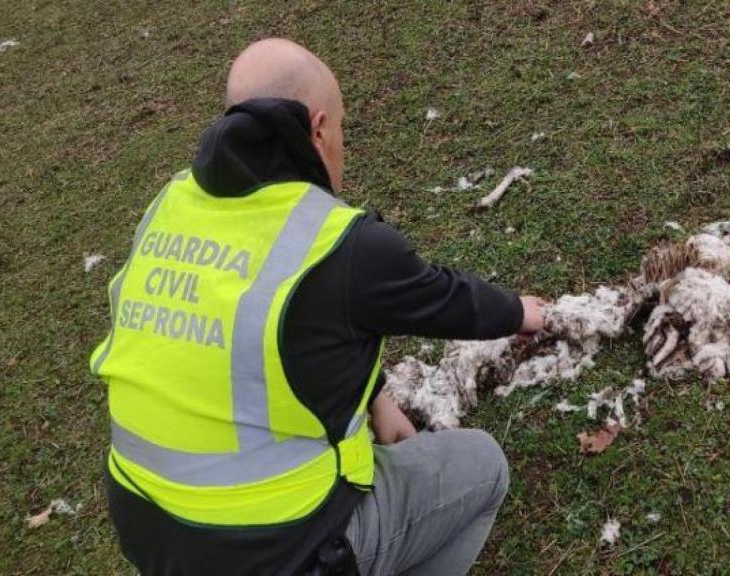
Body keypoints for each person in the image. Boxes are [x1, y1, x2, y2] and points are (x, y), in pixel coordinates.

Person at [90, 37, 546, 576]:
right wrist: (523, 312)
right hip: (274, 555)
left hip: (150, 536)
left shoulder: (170, 206)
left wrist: (376, 397)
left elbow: (264, 337)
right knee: (483, 466)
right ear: (320, 128)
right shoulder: (337, 242)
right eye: (344, 129)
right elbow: (445, 298)